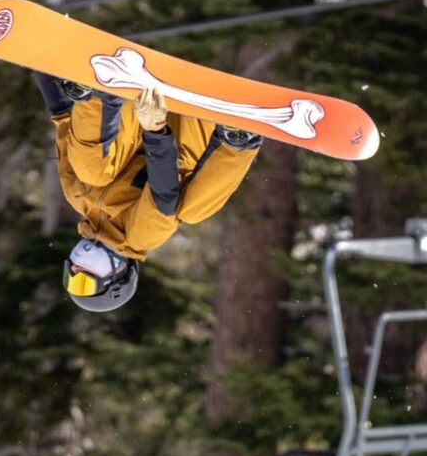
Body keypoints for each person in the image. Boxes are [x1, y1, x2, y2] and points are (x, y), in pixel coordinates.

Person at [33, 74, 263, 312]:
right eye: (82, 282)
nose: (75, 270)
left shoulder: (76, 197)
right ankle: (237, 139)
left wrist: (42, 62)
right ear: (117, 275)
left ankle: (96, 92)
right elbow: (162, 193)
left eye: (68, 277)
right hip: (187, 134)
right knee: (193, 211)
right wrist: (155, 130)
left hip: (135, 104)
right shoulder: (140, 237)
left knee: (90, 171)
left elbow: (64, 119)